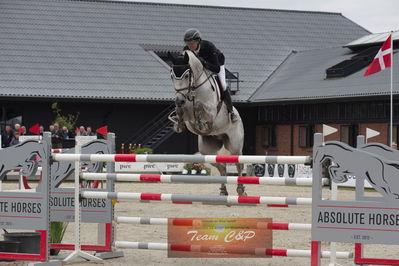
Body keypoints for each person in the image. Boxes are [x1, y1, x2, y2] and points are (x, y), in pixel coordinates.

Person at [183, 28, 238, 122]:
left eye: (192, 43)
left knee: (223, 85)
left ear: (198, 41)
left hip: (216, 64)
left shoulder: (209, 47)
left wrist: (203, 63)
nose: (190, 46)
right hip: (200, 67)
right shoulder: (186, 50)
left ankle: (231, 111)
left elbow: (216, 68)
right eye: (188, 44)